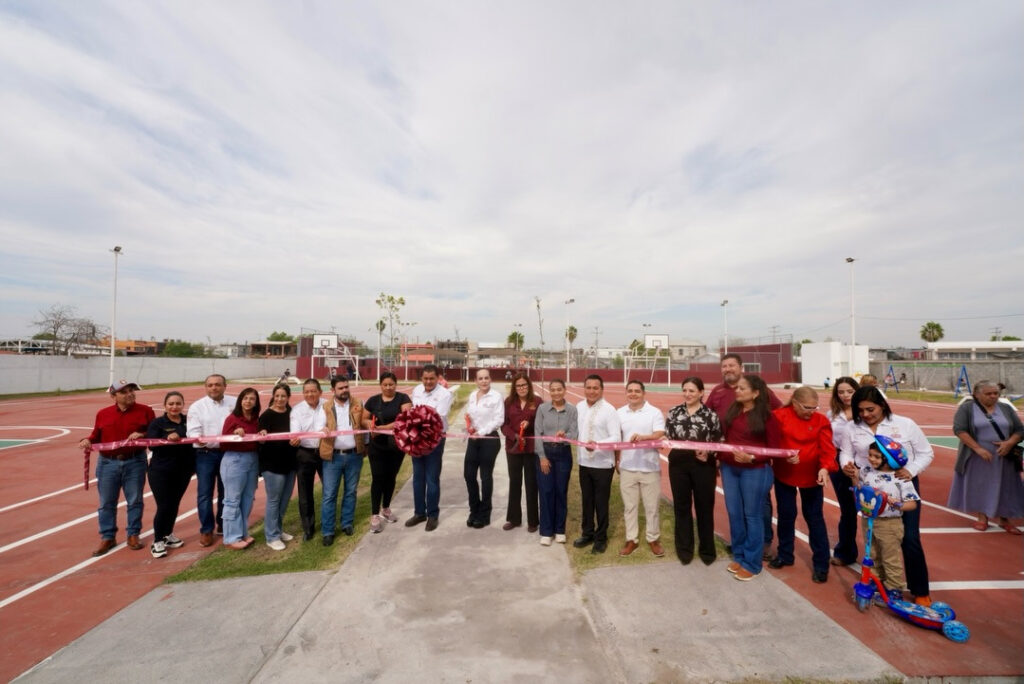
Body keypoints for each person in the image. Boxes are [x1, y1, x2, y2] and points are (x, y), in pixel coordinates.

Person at [840, 386, 934, 605]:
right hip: (870, 489)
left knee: (909, 538)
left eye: (870, 409)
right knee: (874, 539)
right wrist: (846, 465)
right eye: (860, 410)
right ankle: (879, 582)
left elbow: (926, 452)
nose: (865, 415)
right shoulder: (851, 428)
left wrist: (911, 470)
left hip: (902, 484)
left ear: (882, 405)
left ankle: (920, 590)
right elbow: (846, 452)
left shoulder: (905, 424)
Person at [705, 353, 782, 557]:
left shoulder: (759, 390)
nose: (727, 369)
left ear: (741, 368)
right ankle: (741, 547)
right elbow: (707, 417)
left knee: (757, 508)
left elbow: (780, 412)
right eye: (724, 366)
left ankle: (762, 543)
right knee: (735, 509)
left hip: (755, 466)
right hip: (729, 462)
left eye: (731, 365)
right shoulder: (719, 391)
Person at [78, 380, 155, 557]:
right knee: (106, 503)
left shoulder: (146, 411)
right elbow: (96, 435)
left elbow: (154, 433)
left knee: (135, 500)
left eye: (131, 391)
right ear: (114, 396)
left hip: (135, 461)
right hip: (107, 463)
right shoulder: (103, 414)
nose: (130, 394)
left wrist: (142, 434)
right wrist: (87, 440)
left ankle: (133, 534)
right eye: (124, 392)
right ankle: (108, 536)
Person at [770, 386, 836, 583]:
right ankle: (785, 554)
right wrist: (784, 454)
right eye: (807, 407)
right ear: (795, 403)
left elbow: (827, 448)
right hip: (785, 474)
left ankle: (821, 564)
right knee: (786, 514)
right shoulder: (779, 416)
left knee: (815, 518)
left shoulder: (821, 421)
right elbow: (771, 442)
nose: (811, 412)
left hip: (812, 477)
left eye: (814, 408)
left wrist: (825, 468)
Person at [720, 375, 781, 581]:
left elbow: (774, 449)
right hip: (730, 469)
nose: (737, 391)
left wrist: (752, 457)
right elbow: (726, 440)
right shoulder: (733, 411)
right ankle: (739, 554)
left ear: (755, 393)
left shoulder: (767, 417)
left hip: (755, 471)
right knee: (734, 513)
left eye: (743, 388)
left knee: (752, 515)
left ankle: (752, 563)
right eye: (737, 388)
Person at [947, 380, 1024, 534]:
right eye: (988, 394)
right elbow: (959, 430)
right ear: (977, 394)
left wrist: (1009, 443)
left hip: (1004, 457)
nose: (993, 396)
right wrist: (978, 449)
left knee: (1006, 486)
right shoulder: (967, 408)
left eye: (995, 393)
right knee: (980, 486)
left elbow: (1020, 430)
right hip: (978, 457)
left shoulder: (1006, 408)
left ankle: (1005, 519)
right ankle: (982, 518)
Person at [855, 438, 921, 602]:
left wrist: (897, 504)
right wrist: (854, 477)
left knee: (890, 557)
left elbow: (912, 503)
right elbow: (858, 486)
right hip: (869, 521)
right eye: (870, 455)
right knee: (873, 554)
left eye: (877, 457)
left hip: (889, 524)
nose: (871, 459)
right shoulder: (867, 471)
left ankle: (894, 588)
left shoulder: (900, 478)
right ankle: (876, 581)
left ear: (889, 459)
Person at [665, 377, 722, 565]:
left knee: (704, 507)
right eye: (685, 390)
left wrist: (708, 452)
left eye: (692, 391)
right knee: (682, 507)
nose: (687, 394)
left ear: (701, 393)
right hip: (678, 464)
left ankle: (707, 551)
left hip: (703, 466)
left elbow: (719, 441)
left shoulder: (711, 415)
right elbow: (669, 436)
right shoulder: (674, 412)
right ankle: (684, 550)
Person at [616, 380, 666, 557]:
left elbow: (660, 434)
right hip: (627, 467)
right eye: (630, 391)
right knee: (630, 507)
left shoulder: (654, 412)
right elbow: (617, 439)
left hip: (649, 467)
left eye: (637, 391)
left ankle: (653, 538)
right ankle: (632, 539)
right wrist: (617, 461)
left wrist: (643, 438)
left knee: (651, 507)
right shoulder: (619, 413)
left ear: (644, 393)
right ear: (626, 393)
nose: (633, 394)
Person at [574, 375, 621, 554]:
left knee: (601, 502)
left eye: (595, 388)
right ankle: (587, 533)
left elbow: (616, 437)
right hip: (584, 462)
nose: (592, 391)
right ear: (584, 388)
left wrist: (598, 445)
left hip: (602, 464)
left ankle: (601, 538)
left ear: (602, 390)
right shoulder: (579, 407)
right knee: (587, 500)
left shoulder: (609, 410)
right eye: (588, 387)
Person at [186, 374, 235, 547]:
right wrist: (197, 438)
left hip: (228, 453)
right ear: (205, 387)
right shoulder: (197, 407)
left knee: (226, 492)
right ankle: (206, 529)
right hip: (205, 455)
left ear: (225, 386)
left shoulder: (234, 403)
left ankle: (223, 523)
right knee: (205, 494)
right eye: (210, 385)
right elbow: (192, 431)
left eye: (217, 385)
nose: (214, 388)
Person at [145, 391, 195, 558]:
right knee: (164, 505)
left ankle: (168, 535)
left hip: (183, 470)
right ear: (165, 406)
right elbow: (151, 444)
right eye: (171, 404)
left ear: (183, 405)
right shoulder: (157, 423)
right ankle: (157, 541)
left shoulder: (189, 421)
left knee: (174, 504)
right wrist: (167, 437)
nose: (174, 407)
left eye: (178, 403)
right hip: (161, 471)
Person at [318, 376, 367, 545]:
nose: (344, 390)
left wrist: (364, 446)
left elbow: (364, 425)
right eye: (340, 388)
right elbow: (319, 426)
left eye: (346, 387)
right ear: (333, 390)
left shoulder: (358, 404)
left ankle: (347, 523)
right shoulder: (325, 407)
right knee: (329, 495)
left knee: (350, 492)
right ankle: (328, 531)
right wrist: (322, 428)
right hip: (333, 457)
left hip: (354, 455)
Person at [362, 372, 412, 533]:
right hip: (377, 446)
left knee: (391, 477)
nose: (388, 387)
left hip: (396, 446)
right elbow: (363, 418)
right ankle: (375, 514)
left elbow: (404, 419)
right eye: (385, 384)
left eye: (391, 384)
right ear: (380, 385)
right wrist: (370, 425)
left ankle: (386, 508)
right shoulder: (373, 400)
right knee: (378, 477)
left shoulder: (403, 399)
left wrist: (381, 428)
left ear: (396, 384)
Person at [408, 364, 454, 531]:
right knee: (418, 478)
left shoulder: (444, 394)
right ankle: (419, 512)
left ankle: (432, 515)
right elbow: (414, 413)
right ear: (422, 378)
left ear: (438, 378)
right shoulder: (417, 390)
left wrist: (417, 419)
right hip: (417, 438)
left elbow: (436, 417)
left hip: (435, 438)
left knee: (432, 478)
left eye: (431, 378)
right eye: (425, 378)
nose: (428, 382)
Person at [534, 379, 578, 546]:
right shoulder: (543, 409)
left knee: (561, 491)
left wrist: (565, 436)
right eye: (553, 390)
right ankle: (546, 531)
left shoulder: (572, 410)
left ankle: (559, 530)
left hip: (563, 453)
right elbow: (538, 433)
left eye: (559, 389)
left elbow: (574, 434)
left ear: (564, 390)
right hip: (545, 452)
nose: (556, 393)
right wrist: (542, 457)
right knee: (546, 492)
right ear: (550, 392)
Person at [220, 387, 264, 550]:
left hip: (252, 458)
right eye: (245, 398)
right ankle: (231, 537)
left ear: (256, 402)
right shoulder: (232, 419)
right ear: (240, 400)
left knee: (247, 498)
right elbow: (222, 443)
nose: (248, 401)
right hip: (234, 459)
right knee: (232, 499)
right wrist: (235, 434)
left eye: (252, 399)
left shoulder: (255, 419)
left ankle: (242, 532)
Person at [827, 376, 861, 566]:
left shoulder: (865, 411)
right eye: (841, 392)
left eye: (849, 391)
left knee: (873, 508)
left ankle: (879, 557)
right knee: (847, 510)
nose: (845, 395)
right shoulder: (831, 414)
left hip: (865, 461)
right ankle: (845, 552)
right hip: (839, 463)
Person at [464, 369, 504, 529]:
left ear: (490, 379)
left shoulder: (496, 396)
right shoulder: (473, 396)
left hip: (489, 439)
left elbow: (499, 419)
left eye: (486, 378)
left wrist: (481, 432)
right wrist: (469, 426)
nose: (484, 381)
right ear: (476, 381)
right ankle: (474, 510)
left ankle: (484, 514)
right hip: (474, 440)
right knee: (468, 475)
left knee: (485, 476)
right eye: (480, 378)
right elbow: (470, 416)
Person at [502, 372, 541, 532]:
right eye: (518, 385)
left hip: (531, 449)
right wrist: (514, 436)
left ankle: (533, 521)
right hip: (513, 448)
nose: (522, 388)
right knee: (515, 483)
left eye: (524, 385)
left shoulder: (537, 402)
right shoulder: (509, 402)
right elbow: (503, 425)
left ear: (529, 385)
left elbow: (541, 424)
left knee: (531, 484)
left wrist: (529, 424)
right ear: (514, 387)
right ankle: (514, 518)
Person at [259, 383, 297, 551]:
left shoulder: (292, 414)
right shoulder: (266, 416)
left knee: (284, 500)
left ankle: (278, 530)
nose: (280, 399)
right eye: (277, 395)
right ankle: (271, 536)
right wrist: (262, 435)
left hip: (290, 463)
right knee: (274, 500)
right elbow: (260, 438)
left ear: (288, 397)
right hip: (272, 465)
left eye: (284, 396)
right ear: (273, 396)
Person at [290, 379, 326, 540]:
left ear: (320, 392)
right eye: (307, 392)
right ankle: (308, 529)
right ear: (303, 393)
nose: (310, 394)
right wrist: (295, 439)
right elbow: (295, 433)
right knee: (305, 493)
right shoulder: (296, 410)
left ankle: (328, 522)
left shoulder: (328, 406)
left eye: (313, 391)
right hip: (304, 453)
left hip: (325, 452)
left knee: (329, 490)